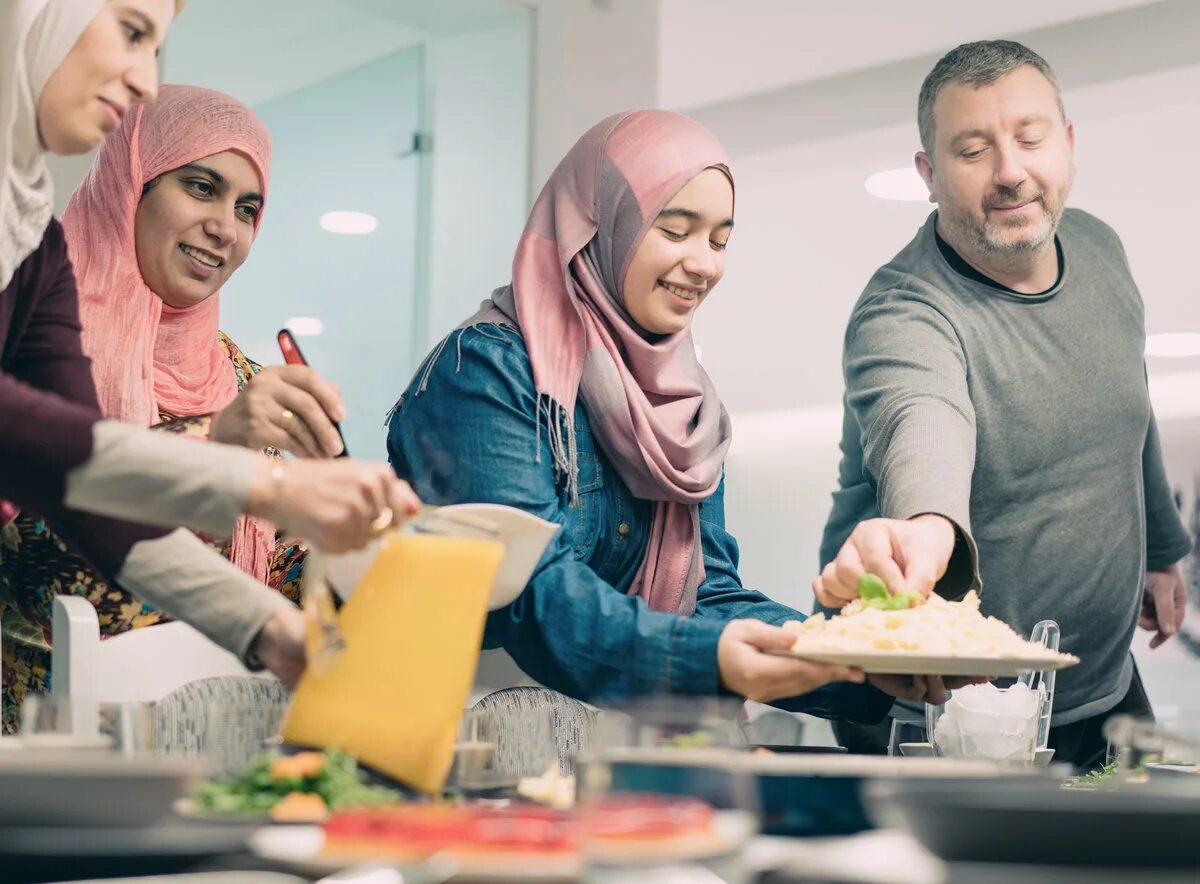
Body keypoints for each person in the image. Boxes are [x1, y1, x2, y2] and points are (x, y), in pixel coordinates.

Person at [389, 109, 960, 714]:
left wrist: (863, 660)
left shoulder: (683, 406)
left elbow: (708, 597)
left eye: (720, 240)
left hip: (604, 760)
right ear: (599, 225)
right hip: (459, 745)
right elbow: (532, 597)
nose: (706, 264)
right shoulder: (487, 370)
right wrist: (713, 660)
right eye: (675, 229)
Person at [0, 0, 419, 708]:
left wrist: (274, 623)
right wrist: (250, 472)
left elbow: (82, 489)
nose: (141, 79)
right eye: (132, 32)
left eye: (248, 209)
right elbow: (35, 468)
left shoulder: (33, 251)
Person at [815, 40, 1191, 767]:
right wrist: (930, 533)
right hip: (941, 706)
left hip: (1100, 683)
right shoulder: (903, 312)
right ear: (928, 174)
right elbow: (919, 425)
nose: (1011, 172)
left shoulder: (1100, 249)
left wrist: (1164, 546)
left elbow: (1128, 397)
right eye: (973, 150)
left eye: (1029, 138)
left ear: (1069, 145)